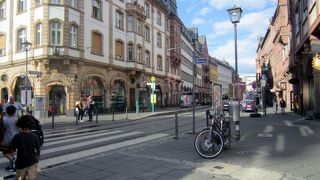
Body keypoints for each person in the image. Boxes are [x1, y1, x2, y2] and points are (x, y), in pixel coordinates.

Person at [9, 115, 41, 180]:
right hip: (32, 161)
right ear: (31, 125)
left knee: (20, 178)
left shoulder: (17, 136)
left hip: (21, 163)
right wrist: (38, 155)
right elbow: (38, 148)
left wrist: (12, 158)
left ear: (20, 125)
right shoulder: (34, 136)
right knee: (31, 178)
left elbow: (12, 149)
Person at [2, 106, 19, 172]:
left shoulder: (4, 119)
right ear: (14, 112)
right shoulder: (17, 119)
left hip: (7, 138)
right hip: (16, 138)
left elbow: (3, 129)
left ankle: (14, 160)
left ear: (6, 111)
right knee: (11, 151)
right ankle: (11, 166)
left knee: (5, 152)